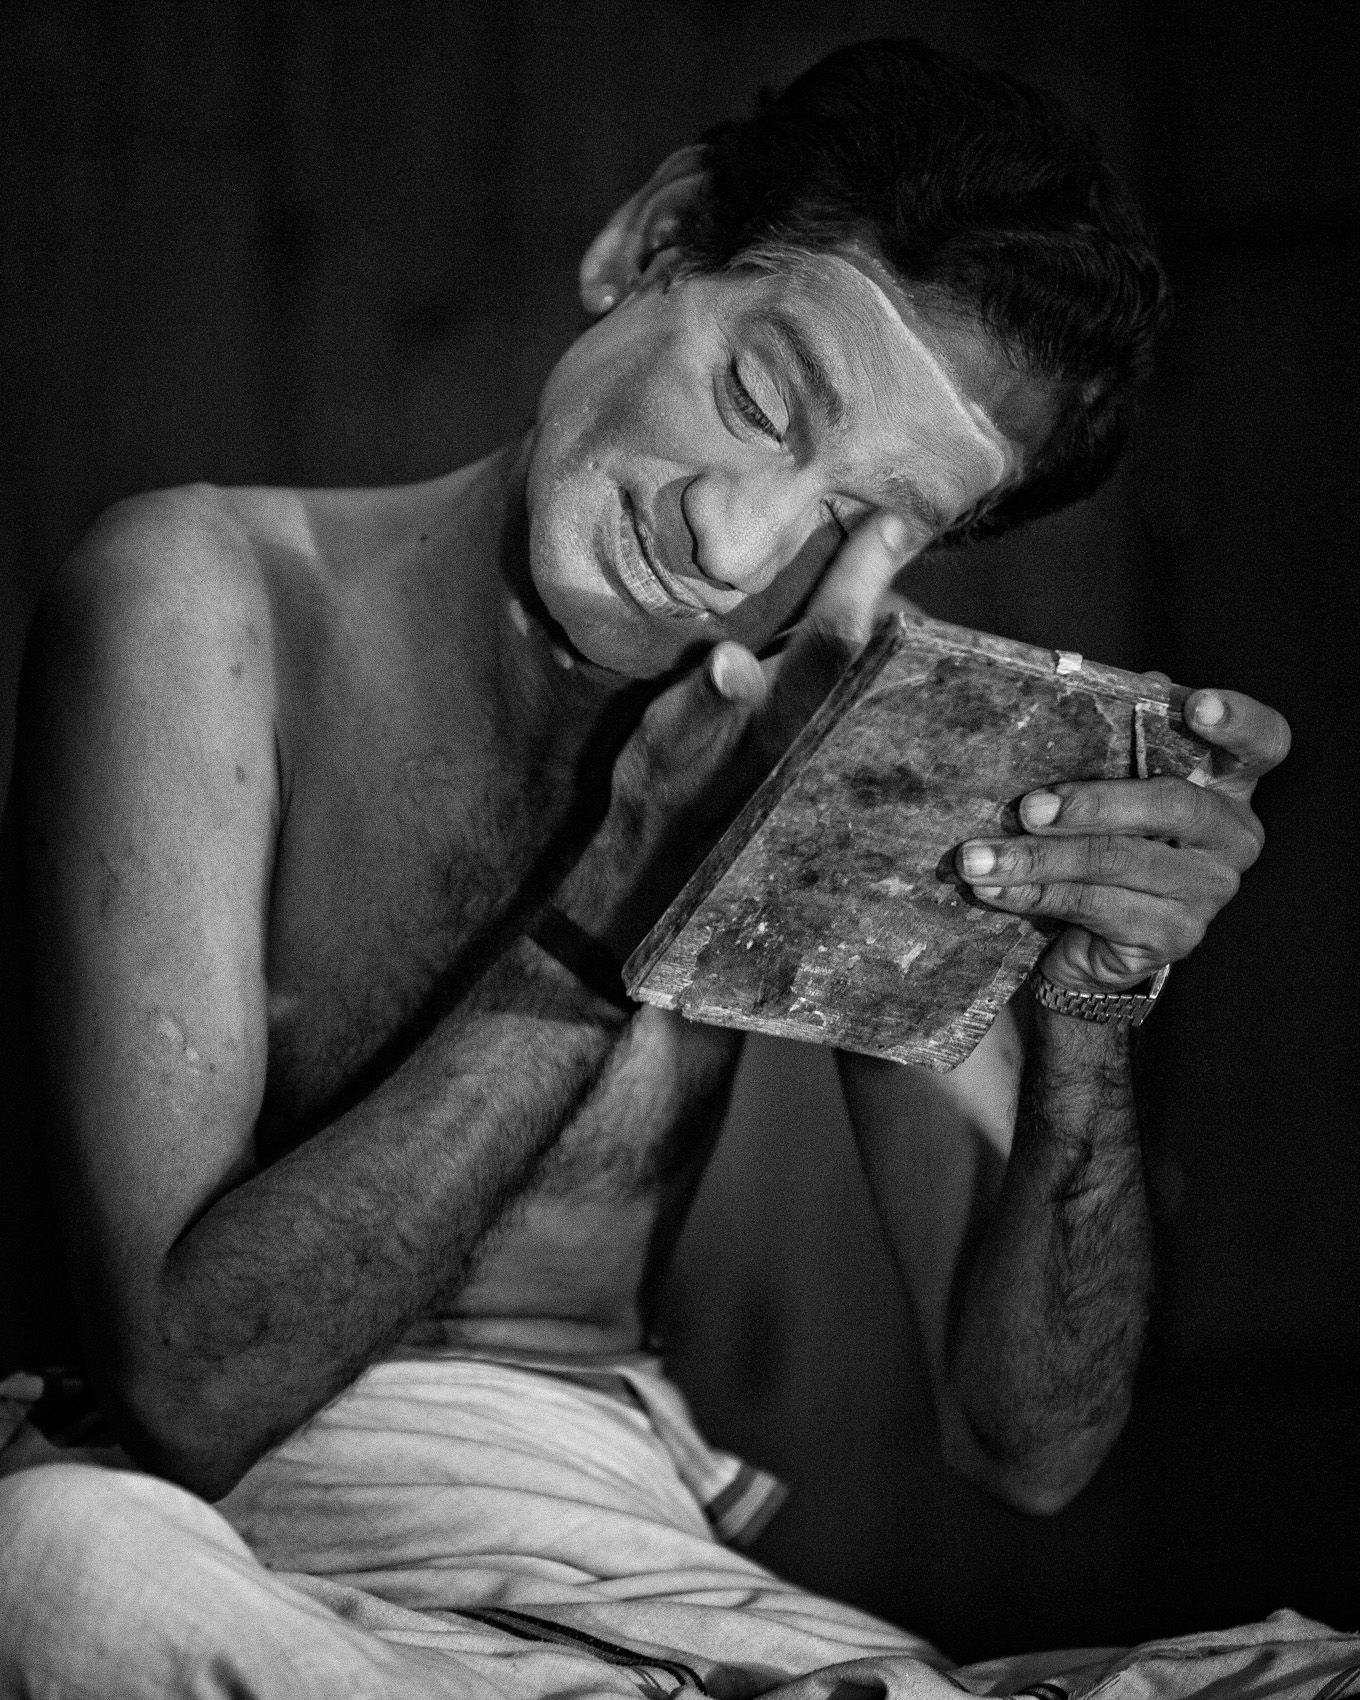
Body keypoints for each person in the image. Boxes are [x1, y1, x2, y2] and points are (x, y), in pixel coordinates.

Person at [0, 35, 1316, 1700]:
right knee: (48, 1568)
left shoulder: (853, 724)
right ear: (658, 239)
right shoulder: (205, 593)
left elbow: (1028, 1443)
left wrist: (1092, 1001)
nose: (735, 545)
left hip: (635, 1576)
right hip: (235, 1549)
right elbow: (184, 1394)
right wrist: (626, 885)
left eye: (861, 527)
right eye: (766, 401)